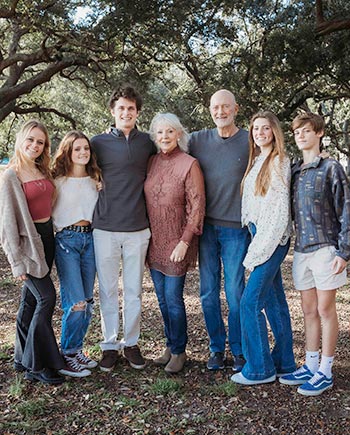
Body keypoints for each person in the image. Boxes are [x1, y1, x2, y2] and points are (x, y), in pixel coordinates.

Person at [279, 112, 350, 396]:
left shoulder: (331, 167)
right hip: (301, 250)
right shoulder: (294, 170)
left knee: (325, 309)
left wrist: (344, 252)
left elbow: (347, 210)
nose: (301, 136)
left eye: (307, 131)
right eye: (297, 132)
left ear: (319, 133)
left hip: (326, 248)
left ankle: (326, 370)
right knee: (308, 310)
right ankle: (309, 364)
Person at [91, 84, 157, 372]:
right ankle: (108, 345)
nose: (126, 112)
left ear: (137, 112)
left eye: (131, 108)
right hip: (104, 227)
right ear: (112, 111)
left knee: (133, 290)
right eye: (121, 108)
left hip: (137, 228)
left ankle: (131, 343)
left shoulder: (148, 143)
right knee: (107, 289)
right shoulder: (97, 143)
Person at [230, 111, 296, 385]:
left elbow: (279, 212)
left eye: (265, 128)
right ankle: (284, 362)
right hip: (259, 233)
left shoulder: (279, 161)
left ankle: (259, 369)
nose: (260, 132)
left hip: (271, 237)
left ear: (274, 131)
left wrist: (260, 249)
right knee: (274, 300)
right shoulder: (257, 160)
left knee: (249, 302)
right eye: (256, 128)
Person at [189, 89, 250, 371]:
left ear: (236, 109)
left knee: (235, 292)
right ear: (210, 110)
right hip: (206, 229)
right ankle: (216, 348)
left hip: (237, 229)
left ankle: (238, 350)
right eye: (216, 107)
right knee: (208, 292)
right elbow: (164, 148)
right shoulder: (197, 140)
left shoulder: (250, 140)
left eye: (226, 107)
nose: (220, 112)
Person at [0, 119, 64, 385]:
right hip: (29, 245)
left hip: (47, 239)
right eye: (31, 139)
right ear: (20, 140)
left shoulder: (42, 170)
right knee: (47, 298)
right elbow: (6, 224)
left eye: (40, 142)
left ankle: (20, 357)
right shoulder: (10, 175)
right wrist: (16, 262)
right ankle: (37, 364)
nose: (35, 145)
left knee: (29, 302)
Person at [145, 113, 205, 373]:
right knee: (160, 298)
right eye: (159, 133)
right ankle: (170, 345)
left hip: (178, 241)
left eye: (169, 132)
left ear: (179, 134)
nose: (164, 137)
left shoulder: (189, 164)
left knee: (173, 297)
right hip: (154, 240)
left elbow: (197, 206)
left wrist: (185, 241)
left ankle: (180, 350)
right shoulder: (151, 162)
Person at [51, 131, 102, 378]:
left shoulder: (96, 179)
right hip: (67, 240)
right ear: (68, 152)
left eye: (86, 149)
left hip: (91, 239)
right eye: (77, 149)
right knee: (76, 302)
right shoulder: (56, 181)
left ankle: (77, 349)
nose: (83, 153)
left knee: (88, 301)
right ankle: (67, 353)